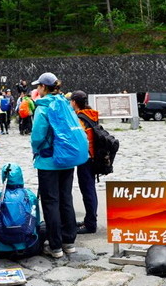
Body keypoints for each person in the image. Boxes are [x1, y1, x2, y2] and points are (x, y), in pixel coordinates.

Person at [30, 72, 79, 258]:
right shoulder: (66, 104)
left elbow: (37, 137)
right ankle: (69, 242)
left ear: (43, 87)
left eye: (38, 86)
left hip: (48, 162)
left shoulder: (43, 108)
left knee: (50, 202)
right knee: (66, 199)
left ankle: (55, 246)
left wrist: (36, 150)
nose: (36, 89)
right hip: (67, 160)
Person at [0, 164, 42, 259]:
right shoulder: (29, 195)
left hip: (1, 250)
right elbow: (36, 222)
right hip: (30, 247)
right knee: (43, 226)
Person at [69, 90, 98, 235]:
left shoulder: (80, 119)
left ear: (74, 102)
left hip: (85, 159)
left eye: (71, 101)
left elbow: (77, 139)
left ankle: (91, 224)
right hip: (92, 157)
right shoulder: (90, 114)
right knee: (90, 189)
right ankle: (90, 219)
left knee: (87, 191)